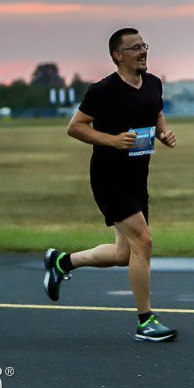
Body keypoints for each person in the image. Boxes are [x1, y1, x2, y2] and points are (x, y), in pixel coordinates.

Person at [44, 28, 178, 342]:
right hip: (109, 176)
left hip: (137, 176)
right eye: (135, 48)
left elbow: (155, 111)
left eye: (144, 46)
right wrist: (113, 141)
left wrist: (164, 132)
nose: (143, 52)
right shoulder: (102, 90)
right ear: (118, 55)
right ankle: (146, 321)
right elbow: (74, 127)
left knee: (123, 254)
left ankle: (62, 262)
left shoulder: (154, 83)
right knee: (143, 243)